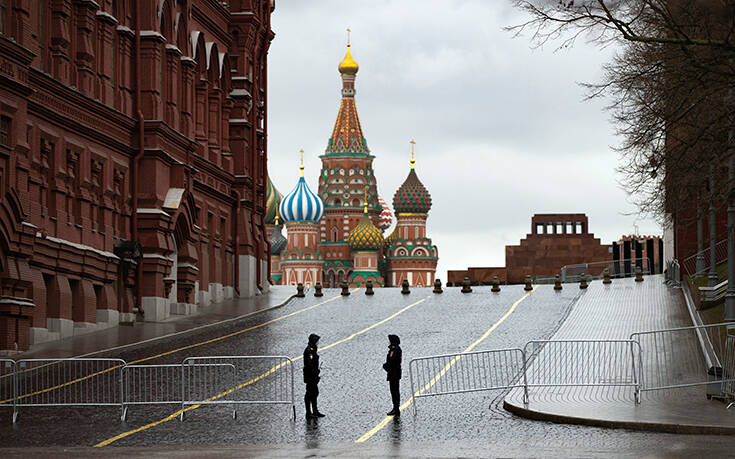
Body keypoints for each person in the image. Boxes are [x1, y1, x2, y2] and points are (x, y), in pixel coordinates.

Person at [303, 333, 325, 418]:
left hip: (313, 375)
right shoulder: (309, 351)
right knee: (309, 394)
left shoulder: (313, 349)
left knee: (315, 393)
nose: (318, 343)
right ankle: (309, 412)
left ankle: (315, 411)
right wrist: (314, 374)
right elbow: (309, 365)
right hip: (310, 376)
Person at [383, 334, 402, 416]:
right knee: (394, 391)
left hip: (394, 373)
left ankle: (396, 408)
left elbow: (392, 361)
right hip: (394, 373)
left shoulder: (394, 350)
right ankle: (395, 408)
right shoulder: (394, 349)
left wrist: (386, 366)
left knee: (394, 391)